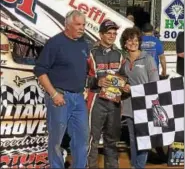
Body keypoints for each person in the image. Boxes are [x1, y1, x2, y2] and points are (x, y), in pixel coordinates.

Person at [34, 10, 89, 168]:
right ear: (68, 25)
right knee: (56, 140)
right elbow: (40, 70)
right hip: (60, 97)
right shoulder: (55, 43)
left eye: (84, 25)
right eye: (78, 24)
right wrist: (54, 94)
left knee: (82, 138)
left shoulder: (83, 43)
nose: (82, 28)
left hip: (78, 98)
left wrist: (83, 88)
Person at [87, 19, 126, 168]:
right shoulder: (90, 53)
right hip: (96, 100)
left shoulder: (120, 55)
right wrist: (97, 81)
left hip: (114, 102)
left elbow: (124, 76)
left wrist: (125, 85)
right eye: (108, 33)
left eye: (114, 33)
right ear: (101, 34)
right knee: (92, 139)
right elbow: (80, 77)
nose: (111, 36)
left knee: (112, 140)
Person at [120, 27, 159, 169]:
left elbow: (154, 85)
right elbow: (120, 80)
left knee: (144, 139)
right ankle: (134, 166)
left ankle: (139, 166)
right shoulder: (122, 61)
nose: (133, 43)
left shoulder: (148, 59)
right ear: (125, 43)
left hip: (145, 105)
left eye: (136, 40)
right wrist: (122, 87)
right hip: (129, 106)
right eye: (130, 40)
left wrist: (133, 89)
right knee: (132, 139)